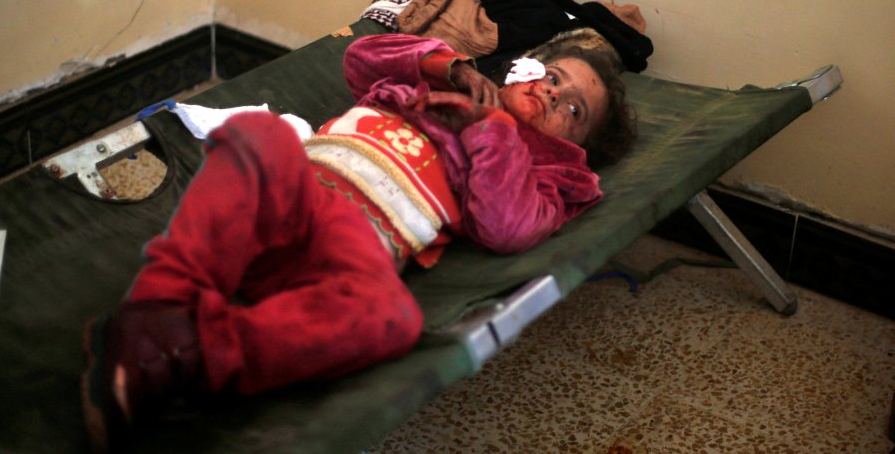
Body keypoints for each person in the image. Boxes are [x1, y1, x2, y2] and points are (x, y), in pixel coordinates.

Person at [81, 27, 639, 452]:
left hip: (355, 244)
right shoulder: (442, 81)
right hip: (295, 186)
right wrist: (450, 68)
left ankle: (191, 350)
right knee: (259, 135)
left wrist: (488, 128)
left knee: (390, 319)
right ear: (524, 70)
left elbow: (508, 227)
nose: (551, 93)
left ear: (577, 147)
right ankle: (159, 306)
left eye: (573, 110)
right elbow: (360, 57)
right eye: (552, 76)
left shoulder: (539, 170)